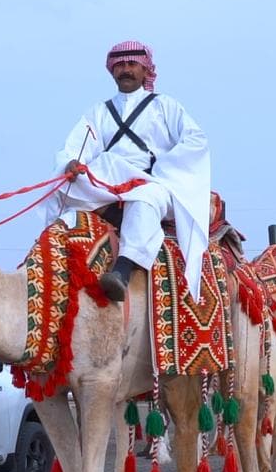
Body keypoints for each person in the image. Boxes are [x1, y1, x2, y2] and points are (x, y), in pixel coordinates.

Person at [51, 40, 211, 302]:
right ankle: (62, 254)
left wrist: (162, 169)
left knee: (145, 200)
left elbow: (195, 140)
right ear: (112, 71)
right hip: (106, 179)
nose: (125, 69)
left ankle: (123, 270)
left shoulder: (165, 106)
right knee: (62, 186)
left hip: (149, 182)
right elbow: (76, 146)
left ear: (146, 70)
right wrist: (72, 162)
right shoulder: (99, 112)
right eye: (119, 65)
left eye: (131, 64)